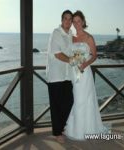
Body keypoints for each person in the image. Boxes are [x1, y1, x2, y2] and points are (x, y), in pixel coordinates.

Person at [64, 10, 108, 140]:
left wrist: (85, 64)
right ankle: (77, 128)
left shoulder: (89, 37)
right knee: (76, 99)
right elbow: (70, 55)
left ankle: (84, 129)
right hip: (73, 73)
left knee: (82, 100)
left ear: (83, 22)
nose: (76, 24)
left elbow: (94, 55)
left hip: (84, 73)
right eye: (74, 21)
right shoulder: (72, 37)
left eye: (79, 21)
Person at [46, 10, 74, 143]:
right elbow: (57, 54)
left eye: (70, 19)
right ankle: (57, 133)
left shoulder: (70, 35)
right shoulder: (56, 33)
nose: (68, 21)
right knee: (56, 106)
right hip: (56, 76)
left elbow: (72, 52)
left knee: (69, 102)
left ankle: (61, 127)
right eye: (65, 19)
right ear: (62, 20)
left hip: (67, 75)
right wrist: (73, 61)